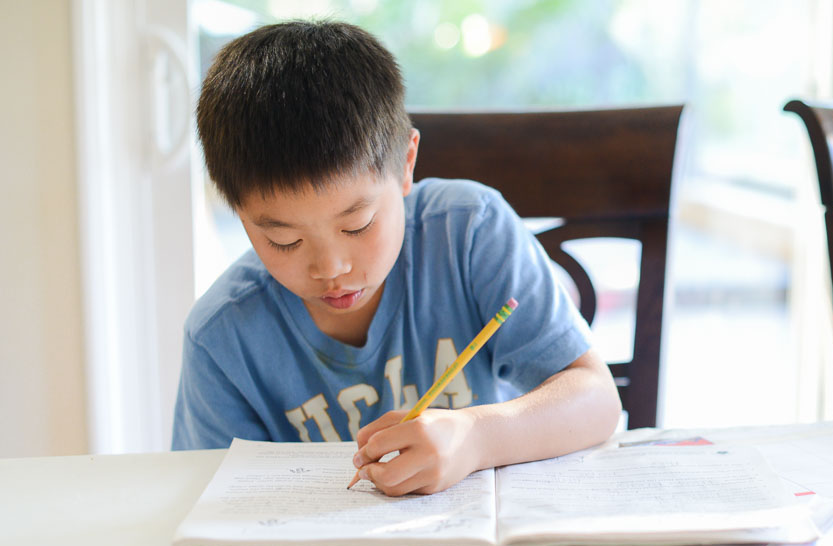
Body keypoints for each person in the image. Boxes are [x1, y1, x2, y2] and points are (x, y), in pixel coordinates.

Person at [173, 19, 621, 496]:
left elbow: (596, 399)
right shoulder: (222, 339)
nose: (331, 268)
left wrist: (476, 438)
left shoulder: (468, 233)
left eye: (357, 225)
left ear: (406, 165)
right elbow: (213, 500)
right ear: (238, 212)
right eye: (284, 240)